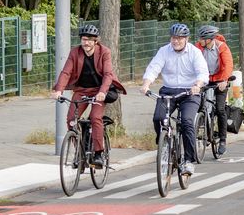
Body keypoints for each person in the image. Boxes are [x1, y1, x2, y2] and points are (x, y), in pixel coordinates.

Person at [51, 25, 126, 168]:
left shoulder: (104, 52)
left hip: (99, 91)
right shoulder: (75, 52)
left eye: (90, 40)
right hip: (82, 90)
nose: (86, 43)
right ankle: (79, 152)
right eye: (84, 39)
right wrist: (59, 90)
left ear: (96, 41)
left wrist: (103, 92)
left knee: (95, 117)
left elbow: (108, 74)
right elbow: (66, 72)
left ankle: (98, 153)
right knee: (71, 119)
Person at [141, 23, 210, 176]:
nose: (176, 41)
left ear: (186, 39)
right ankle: (164, 145)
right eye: (173, 38)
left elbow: (202, 72)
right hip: (168, 90)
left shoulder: (194, 52)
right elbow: (154, 67)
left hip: (189, 92)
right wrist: (146, 84)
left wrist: (198, 85)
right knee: (158, 118)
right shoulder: (164, 51)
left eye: (179, 38)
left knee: (186, 122)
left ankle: (189, 161)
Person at [195, 25, 233, 156]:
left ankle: (222, 140)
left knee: (220, 109)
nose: (199, 40)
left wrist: (224, 80)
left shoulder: (221, 47)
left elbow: (228, 64)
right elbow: (191, 62)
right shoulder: (198, 47)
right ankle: (204, 130)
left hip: (220, 79)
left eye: (202, 38)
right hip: (204, 79)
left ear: (209, 39)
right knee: (200, 106)